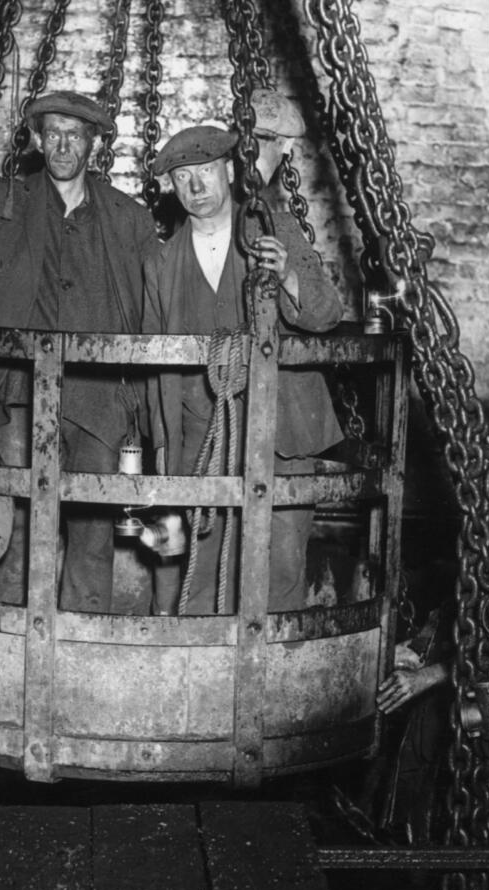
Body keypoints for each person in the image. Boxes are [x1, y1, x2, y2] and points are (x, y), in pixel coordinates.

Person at [0, 90, 159, 613]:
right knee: (9, 525)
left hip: (97, 399)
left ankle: (82, 647)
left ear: (93, 144)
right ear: (36, 138)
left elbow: (161, 295)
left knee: (91, 533)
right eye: (52, 132)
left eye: (74, 135)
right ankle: (8, 645)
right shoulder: (4, 201)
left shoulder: (128, 218)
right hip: (13, 394)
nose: (62, 145)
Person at [143, 125, 343, 615]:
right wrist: (165, 476)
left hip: (281, 433)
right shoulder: (162, 264)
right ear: (171, 187)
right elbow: (154, 376)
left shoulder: (271, 228)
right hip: (201, 443)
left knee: (279, 574)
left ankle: (270, 688)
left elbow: (326, 313)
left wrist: (289, 277)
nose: (195, 187)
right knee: (203, 582)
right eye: (183, 177)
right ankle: (202, 687)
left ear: (229, 171)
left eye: (205, 172)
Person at [364, 481, 489, 845]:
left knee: (473, 846)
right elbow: (439, 634)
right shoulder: (474, 583)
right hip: (439, 739)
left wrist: (428, 676)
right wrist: (407, 653)